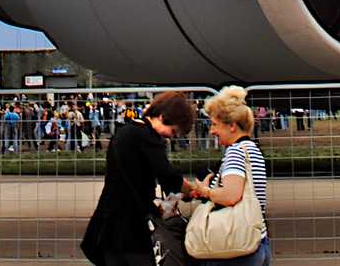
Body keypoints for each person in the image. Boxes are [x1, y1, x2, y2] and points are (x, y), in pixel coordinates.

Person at [82, 90, 197, 266]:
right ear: (162, 116)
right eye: (173, 131)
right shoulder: (148, 137)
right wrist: (193, 191)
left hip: (108, 221)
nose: (170, 136)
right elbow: (168, 176)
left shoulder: (125, 131)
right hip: (131, 225)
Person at [184, 85, 272, 266]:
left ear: (232, 126)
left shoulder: (235, 152)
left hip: (233, 247)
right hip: (256, 240)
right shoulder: (252, 149)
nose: (212, 131)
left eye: (215, 124)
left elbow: (231, 196)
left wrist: (206, 191)